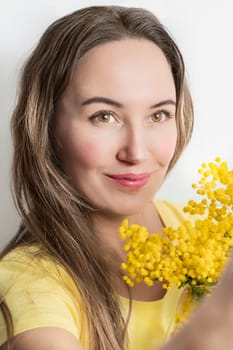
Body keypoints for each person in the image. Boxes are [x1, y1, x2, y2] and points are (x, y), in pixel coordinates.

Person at [0, 5, 232, 350]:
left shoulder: (207, 233)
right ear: (47, 127)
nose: (136, 152)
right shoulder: (28, 282)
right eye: (104, 116)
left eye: (158, 115)